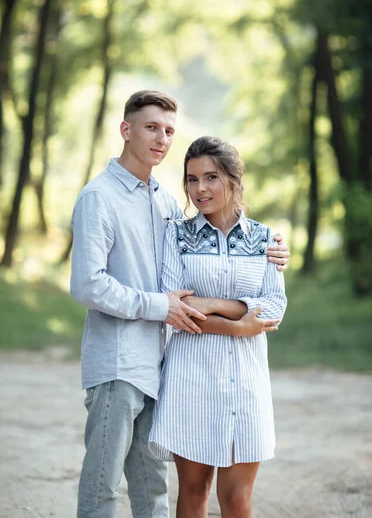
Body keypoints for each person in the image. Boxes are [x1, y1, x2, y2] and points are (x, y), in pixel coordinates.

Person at [70, 91, 290, 518]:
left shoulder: (164, 202)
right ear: (126, 129)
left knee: (153, 490)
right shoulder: (100, 197)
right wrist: (167, 307)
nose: (162, 139)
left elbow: (261, 296)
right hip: (117, 362)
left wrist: (274, 254)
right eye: (152, 127)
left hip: (157, 367)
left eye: (169, 130)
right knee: (102, 487)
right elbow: (88, 285)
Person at [148, 136, 287, 518]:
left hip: (246, 382)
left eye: (210, 177)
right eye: (192, 180)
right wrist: (238, 325)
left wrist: (214, 304)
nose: (200, 189)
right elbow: (177, 305)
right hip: (190, 379)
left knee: (238, 499)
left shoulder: (265, 238)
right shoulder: (177, 235)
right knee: (193, 492)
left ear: (233, 179)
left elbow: (274, 305)